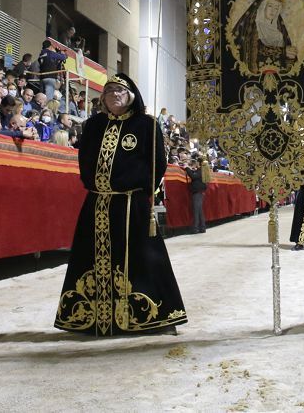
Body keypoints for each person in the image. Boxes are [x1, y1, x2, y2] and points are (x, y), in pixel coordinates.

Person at [54, 73, 187, 336]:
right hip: (97, 203)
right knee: (89, 258)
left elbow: (158, 163)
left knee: (143, 259)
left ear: (132, 97)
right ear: (102, 97)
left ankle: (152, 317)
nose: (115, 94)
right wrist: (91, 183)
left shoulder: (146, 125)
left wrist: (142, 188)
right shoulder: (93, 125)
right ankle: (93, 318)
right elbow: (84, 160)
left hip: (131, 205)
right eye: (110, 90)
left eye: (120, 91)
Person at [233, 0, 297, 71]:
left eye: (276, 8)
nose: (273, 10)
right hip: (257, 71)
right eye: (270, 6)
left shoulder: (279, 32)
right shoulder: (253, 28)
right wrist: (282, 51)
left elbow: (288, 55)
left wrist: (291, 55)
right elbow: (250, 49)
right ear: (263, 7)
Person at [184, 157, 207, 235]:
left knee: (196, 210)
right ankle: (202, 227)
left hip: (197, 192)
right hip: (198, 192)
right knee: (199, 211)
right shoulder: (202, 170)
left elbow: (193, 176)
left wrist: (187, 168)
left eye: (197, 162)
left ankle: (195, 228)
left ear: (199, 163)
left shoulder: (201, 170)